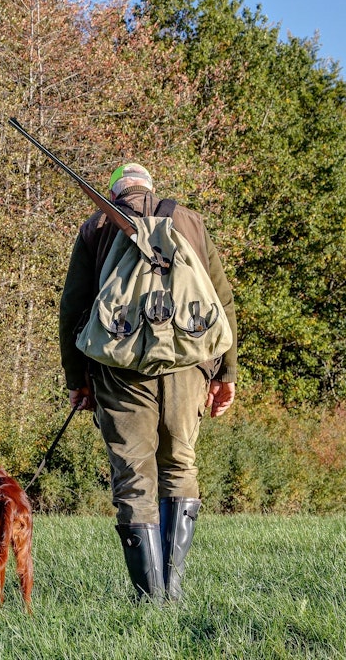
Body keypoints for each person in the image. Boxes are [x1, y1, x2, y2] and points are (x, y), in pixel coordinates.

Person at [57, 163, 237, 602]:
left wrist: (76, 378)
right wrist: (226, 372)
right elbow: (221, 297)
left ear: (117, 191)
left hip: (119, 371)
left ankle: (149, 598)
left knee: (135, 477)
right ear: (151, 189)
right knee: (179, 465)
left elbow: (73, 306)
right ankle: (172, 590)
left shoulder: (97, 225)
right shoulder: (188, 220)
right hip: (187, 366)